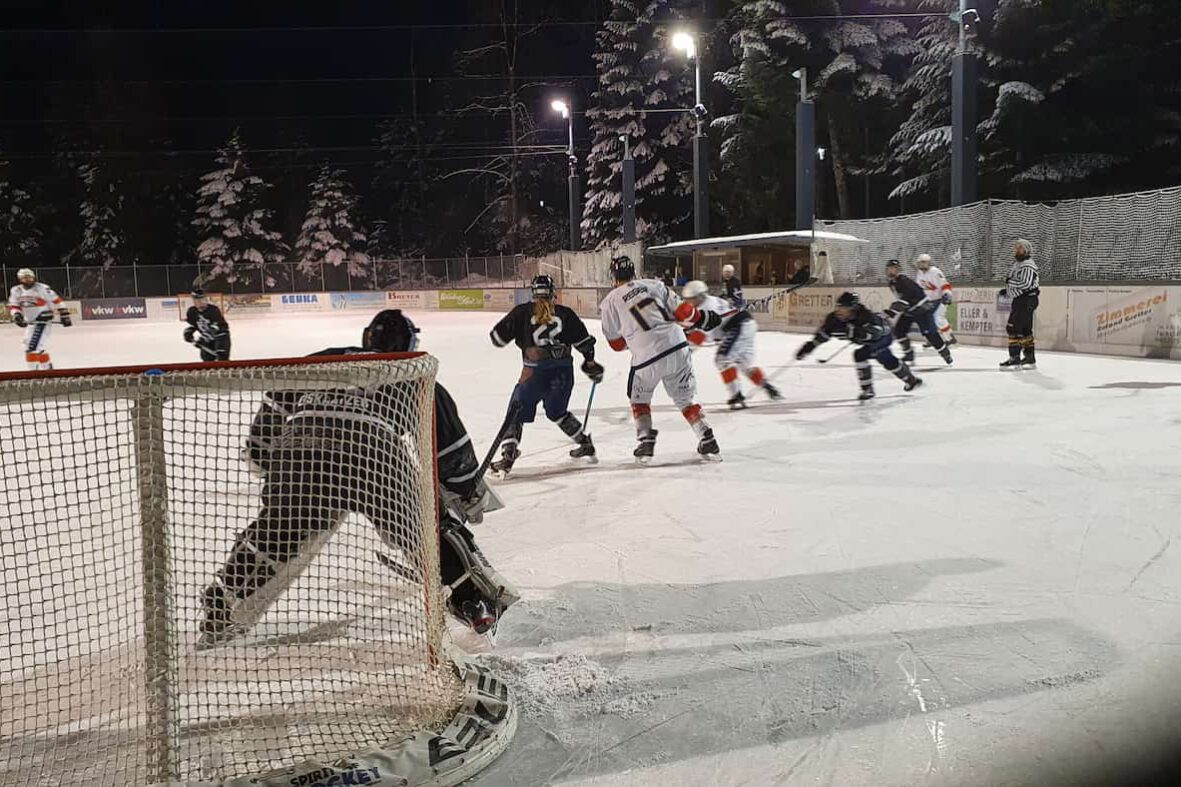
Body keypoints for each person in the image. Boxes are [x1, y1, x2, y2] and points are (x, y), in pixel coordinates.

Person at [199, 309, 518, 647]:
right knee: (426, 527)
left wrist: (275, 476)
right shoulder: (413, 368)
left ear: (367, 336)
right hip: (374, 454)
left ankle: (222, 601)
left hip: (299, 449)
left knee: (276, 531)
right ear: (409, 343)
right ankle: (474, 600)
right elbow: (452, 457)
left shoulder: (321, 360)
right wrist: (465, 495)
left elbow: (265, 431)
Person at [600, 254, 722, 462]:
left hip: (646, 358)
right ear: (634, 272)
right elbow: (684, 312)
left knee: (639, 399)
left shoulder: (609, 302)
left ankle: (646, 440)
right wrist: (703, 318)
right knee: (685, 398)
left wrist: (634, 338)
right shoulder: (654, 285)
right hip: (677, 346)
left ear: (614, 276)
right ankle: (706, 436)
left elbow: (616, 344)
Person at [488, 274, 603, 475]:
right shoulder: (565, 314)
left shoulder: (522, 312)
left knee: (517, 409)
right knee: (556, 412)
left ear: (533, 292)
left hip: (533, 374)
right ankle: (585, 442)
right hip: (563, 375)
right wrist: (590, 363)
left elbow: (497, 338)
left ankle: (508, 454)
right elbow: (585, 344)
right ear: (553, 293)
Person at [795, 291, 923, 401]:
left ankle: (868, 389)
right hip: (872, 341)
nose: (839, 311)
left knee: (861, 355)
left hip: (885, 337)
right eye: (838, 307)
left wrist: (860, 333)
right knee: (886, 359)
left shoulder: (866, 316)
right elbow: (822, 336)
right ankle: (911, 380)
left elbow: (878, 333)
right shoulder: (833, 319)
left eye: (843, 308)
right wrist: (808, 348)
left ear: (853, 308)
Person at [682, 280, 782, 409]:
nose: (688, 303)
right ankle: (767, 387)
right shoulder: (708, 303)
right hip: (744, 325)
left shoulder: (706, 308)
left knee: (722, 359)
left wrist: (684, 353)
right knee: (743, 364)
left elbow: (700, 337)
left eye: (691, 299)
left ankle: (737, 396)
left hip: (739, 327)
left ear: (699, 296)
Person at [885, 260, 953, 366]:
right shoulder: (892, 283)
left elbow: (907, 297)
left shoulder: (903, 280)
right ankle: (909, 354)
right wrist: (894, 310)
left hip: (922, 309)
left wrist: (892, 311)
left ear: (898, 269)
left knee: (930, 334)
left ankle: (945, 353)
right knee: (899, 331)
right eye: (890, 268)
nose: (892, 270)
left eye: (894, 268)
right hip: (910, 310)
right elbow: (902, 300)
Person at [7, 268, 72, 370]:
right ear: (20, 279)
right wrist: (17, 315)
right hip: (31, 323)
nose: (28, 280)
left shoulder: (42, 288)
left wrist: (64, 315)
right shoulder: (16, 290)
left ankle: (33, 373)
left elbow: (57, 301)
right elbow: (14, 305)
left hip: (43, 321)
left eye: (30, 277)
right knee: (29, 346)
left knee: (32, 348)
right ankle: (47, 368)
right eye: (25, 278)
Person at [1001, 238, 1040, 370]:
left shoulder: (1028, 265)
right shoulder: (1019, 264)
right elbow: (1019, 281)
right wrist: (1007, 290)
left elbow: (1026, 284)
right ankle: (1029, 358)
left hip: (1026, 300)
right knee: (1025, 329)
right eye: (1016, 248)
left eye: (1020, 248)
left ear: (1026, 250)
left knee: (1013, 328)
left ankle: (1015, 359)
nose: (1017, 250)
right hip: (1023, 299)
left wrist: (1010, 283)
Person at [914, 253, 956, 346]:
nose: (922, 265)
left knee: (938, 318)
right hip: (928, 301)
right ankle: (932, 339)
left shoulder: (935, 272)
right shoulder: (919, 273)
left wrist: (947, 294)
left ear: (928, 263)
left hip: (940, 299)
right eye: (920, 263)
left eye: (924, 262)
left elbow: (945, 284)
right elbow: (918, 287)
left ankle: (950, 338)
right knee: (927, 320)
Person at [183, 289, 231, 361]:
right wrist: (188, 332)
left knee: (222, 359)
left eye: (203, 299)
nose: (201, 302)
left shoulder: (213, 310)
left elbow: (215, 327)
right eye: (198, 300)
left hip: (221, 337)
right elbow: (194, 325)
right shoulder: (192, 312)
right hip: (207, 340)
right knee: (207, 361)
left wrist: (203, 339)